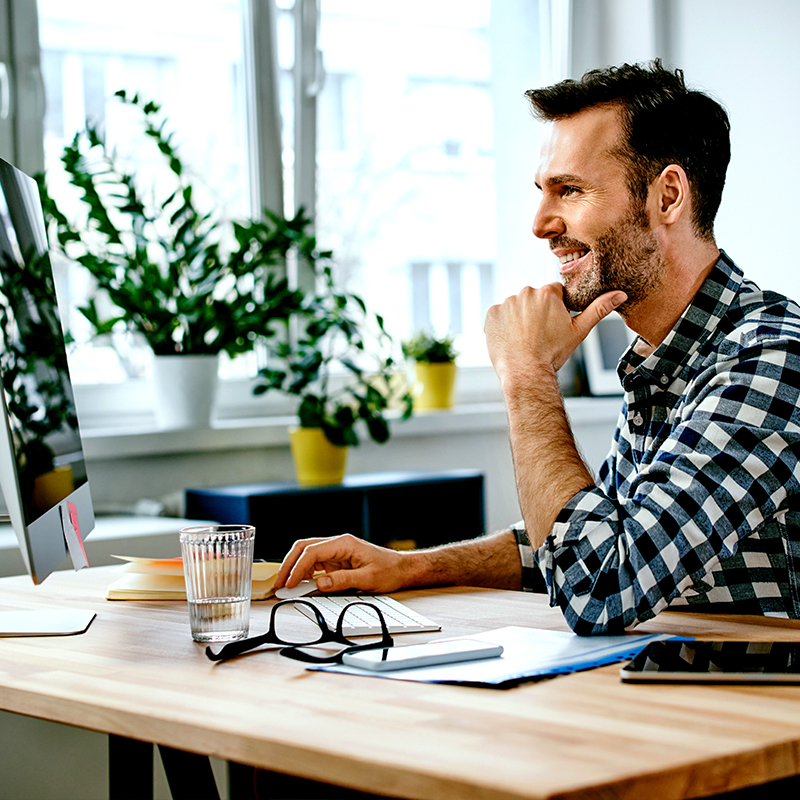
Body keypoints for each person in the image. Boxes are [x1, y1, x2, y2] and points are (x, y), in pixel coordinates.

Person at [274, 61, 800, 635]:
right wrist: (411, 567)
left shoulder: (769, 362)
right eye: (543, 192)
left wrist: (526, 374)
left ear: (667, 196)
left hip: (762, 717)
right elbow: (587, 537)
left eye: (569, 190)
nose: (541, 223)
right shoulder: (667, 360)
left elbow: (600, 583)